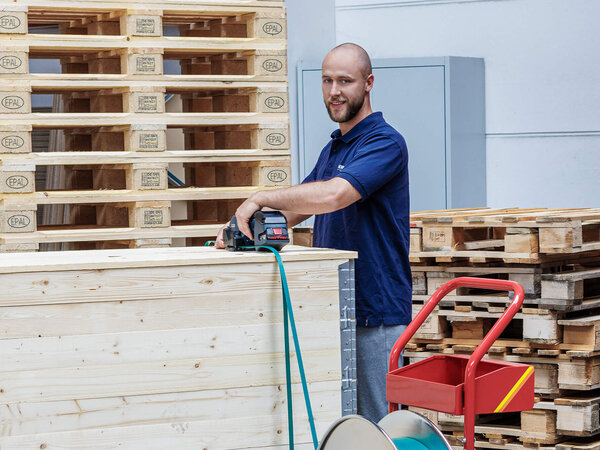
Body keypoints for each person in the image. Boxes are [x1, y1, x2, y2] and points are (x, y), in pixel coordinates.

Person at [216, 42, 411, 423]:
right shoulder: (335, 148)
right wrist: (240, 230)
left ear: (368, 83)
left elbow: (334, 194)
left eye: (345, 81)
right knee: (343, 428)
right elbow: (297, 208)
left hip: (377, 315)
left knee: (379, 428)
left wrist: (259, 196)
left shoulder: (384, 142)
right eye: (327, 81)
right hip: (336, 311)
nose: (334, 91)